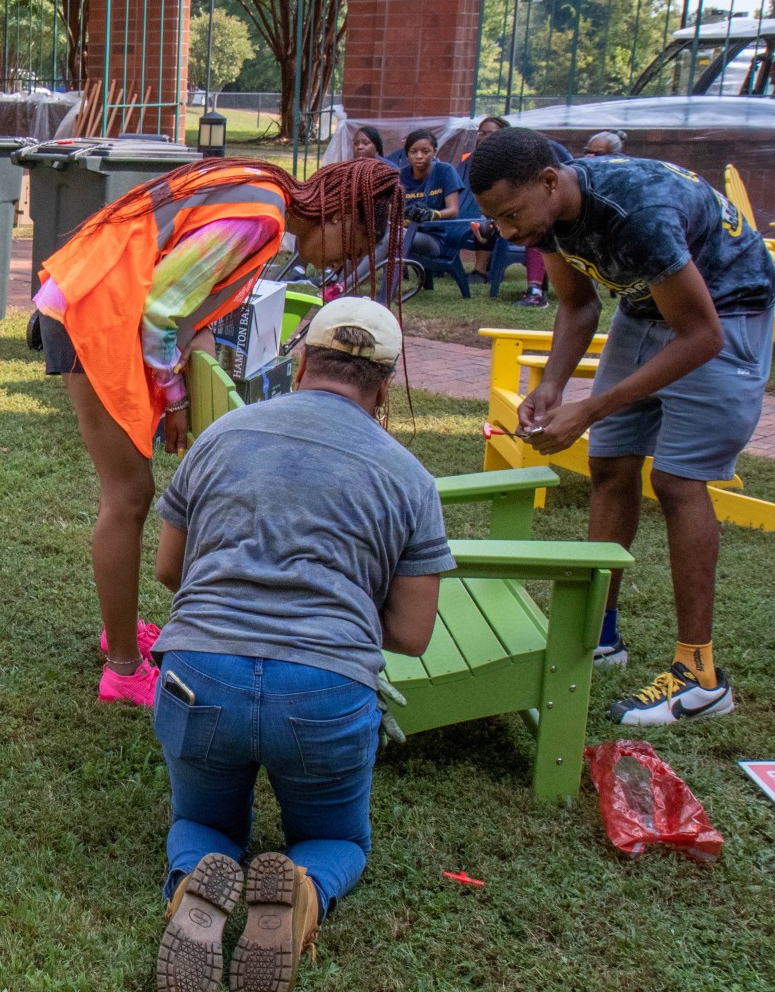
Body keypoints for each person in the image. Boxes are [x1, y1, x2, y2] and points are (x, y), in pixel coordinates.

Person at [150, 298, 452, 992]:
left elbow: (171, 571)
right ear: (382, 387)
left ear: (301, 361)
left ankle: (195, 884)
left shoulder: (222, 435)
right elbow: (411, 632)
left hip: (201, 676)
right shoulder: (409, 476)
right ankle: (306, 890)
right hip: (323, 690)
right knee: (336, 839)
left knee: (201, 817)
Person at [31, 157, 407, 707]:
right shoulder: (262, 216)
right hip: (93, 313)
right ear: (340, 216)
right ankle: (123, 669)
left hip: (96, 302)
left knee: (131, 492)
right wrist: (177, 398)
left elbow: (189, 296)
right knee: (128, 496)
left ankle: (120, 630)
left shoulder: (265, 192)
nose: (339, 265)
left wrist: (198, 364)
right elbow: (160, 309)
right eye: (350, 250)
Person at [470, 128, 775, 725]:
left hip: (727, 310)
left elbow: (701, 336)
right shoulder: (548, 216)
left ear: (549, 181)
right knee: (610, 463)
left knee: (677, 481)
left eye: (511, 215)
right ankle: (601, 635)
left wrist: (589, 409)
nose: (508, 233)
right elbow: (578, 303)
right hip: (645, 310)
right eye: (497, 220)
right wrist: (554, 386)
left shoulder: (637, 211)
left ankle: (700, 677)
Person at [459, 117, 555, 306]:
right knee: (485, 223)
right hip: (504, 216)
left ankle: (535, 291)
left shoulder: (523, 160)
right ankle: (480, 271)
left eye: (490, 134)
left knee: (535, 229)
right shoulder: (477, 163)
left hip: (534, 214)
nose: (484, 138)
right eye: (481, 133)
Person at [396, 129, 472, 297]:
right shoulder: (401, 176)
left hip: (434, 240)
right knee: (381, 235)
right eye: (413, 152)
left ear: (434, 152)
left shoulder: (445, 171)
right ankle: (342, 281)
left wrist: (432, 214)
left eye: (425, 151)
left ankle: (346, 285)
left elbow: (453, 211)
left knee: (391, 237)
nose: (419, 156)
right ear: (407, 154)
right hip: (406, 232)